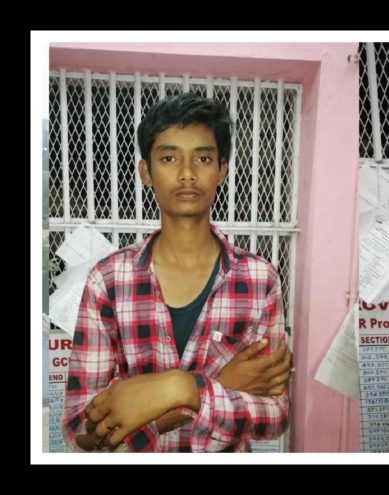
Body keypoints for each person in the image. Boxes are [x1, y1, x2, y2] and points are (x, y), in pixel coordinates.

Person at [62, 93, 291, 452]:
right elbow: (80, 432)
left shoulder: (260, 280)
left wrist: (181, 389)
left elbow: (275, 416)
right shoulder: (108, 281)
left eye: (203, 158)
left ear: (221, 171)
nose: (187, 173)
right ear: (146, 172)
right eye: (169, 158)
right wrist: (210, 389)